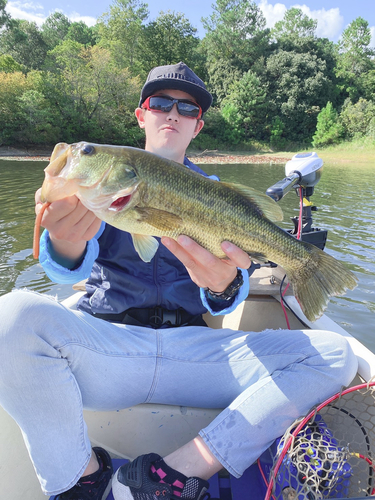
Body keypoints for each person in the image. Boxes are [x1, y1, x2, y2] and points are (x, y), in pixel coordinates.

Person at [0, 62, 357, 500]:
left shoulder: (216, 192)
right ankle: (81, 480)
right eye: (160, 103)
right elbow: (67, 267)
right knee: (10, 314)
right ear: (141, 115)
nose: (172, 113)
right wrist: (63, 240)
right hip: (109, 347)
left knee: (335, 354)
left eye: (186, 109)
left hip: (192, 353)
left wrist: (224, 284)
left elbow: (228, 298)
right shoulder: (96, 193)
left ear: (198, 126)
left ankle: (174, 473)